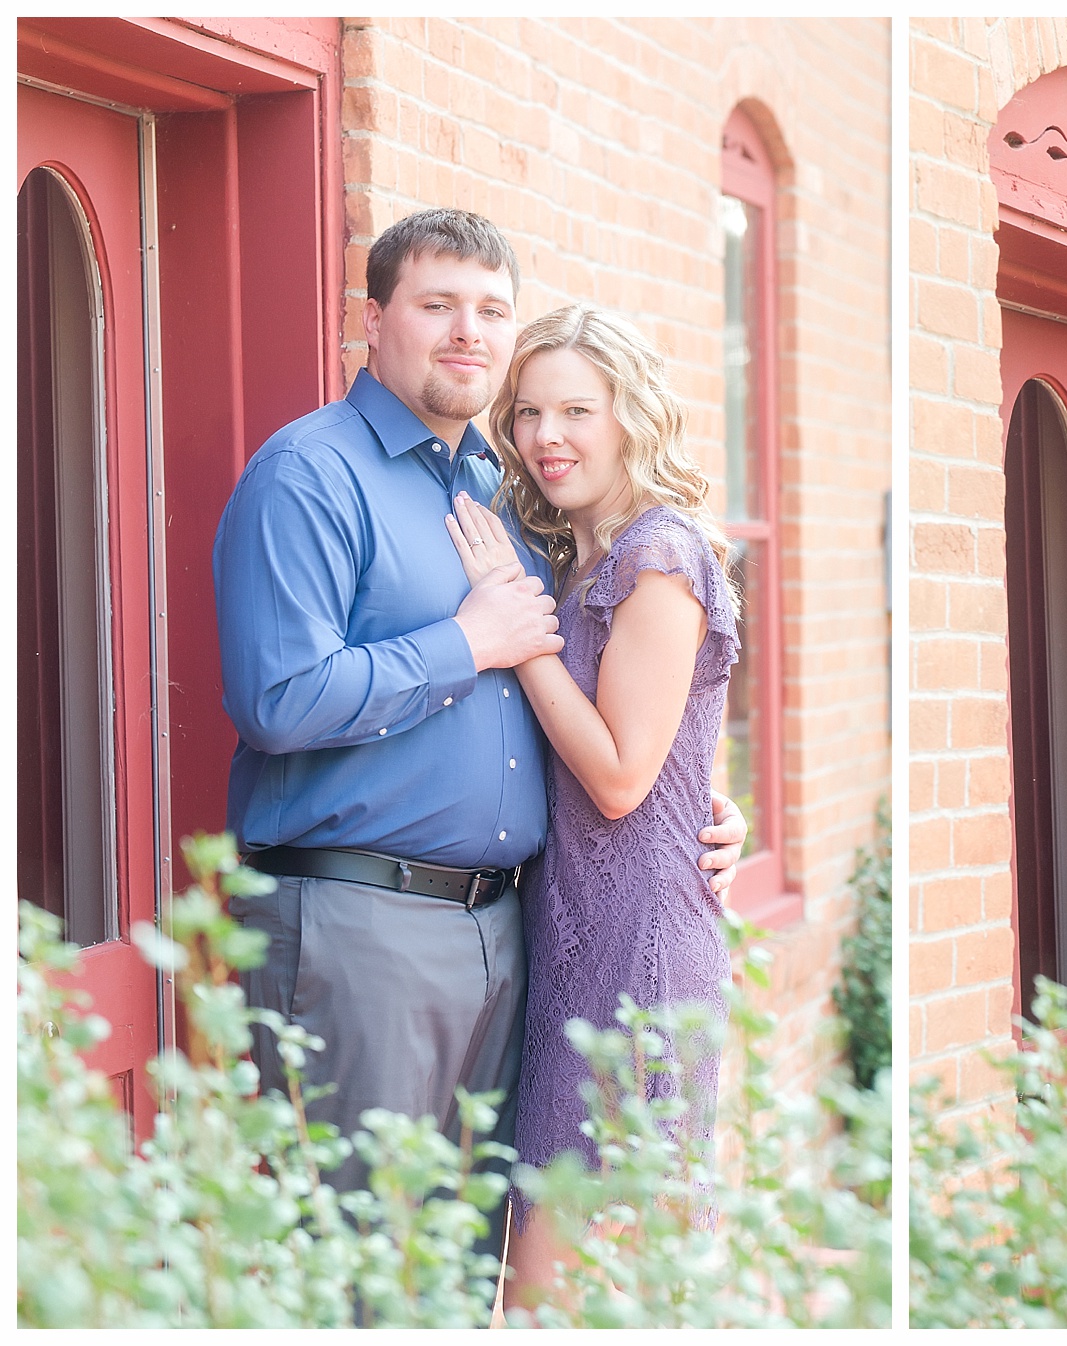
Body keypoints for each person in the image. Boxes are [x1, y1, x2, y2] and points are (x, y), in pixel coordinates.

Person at [212, 210, 745, 1254]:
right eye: (437, 303)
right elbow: (277, 698)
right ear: (375, 319)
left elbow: (615, 716)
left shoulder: (500, 495)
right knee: (367, 1267)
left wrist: (705, 802)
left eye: (491, 310)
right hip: (362, 923)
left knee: (463, 1272)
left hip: (516, 937)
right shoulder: (311, 474)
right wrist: (468, 639)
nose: (468, 331)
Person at [440, 304, 740, 1302]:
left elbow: (619, 774)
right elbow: (681, 739)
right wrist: (717, 802)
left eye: (577, 408)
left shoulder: (659, 553)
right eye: (527, 412)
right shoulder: (576, 552)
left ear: (631, 414)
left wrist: (516, 635)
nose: (545, 435)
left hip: (638, 950)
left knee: (575, 1286)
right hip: (570, 932)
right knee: (567, 1277)